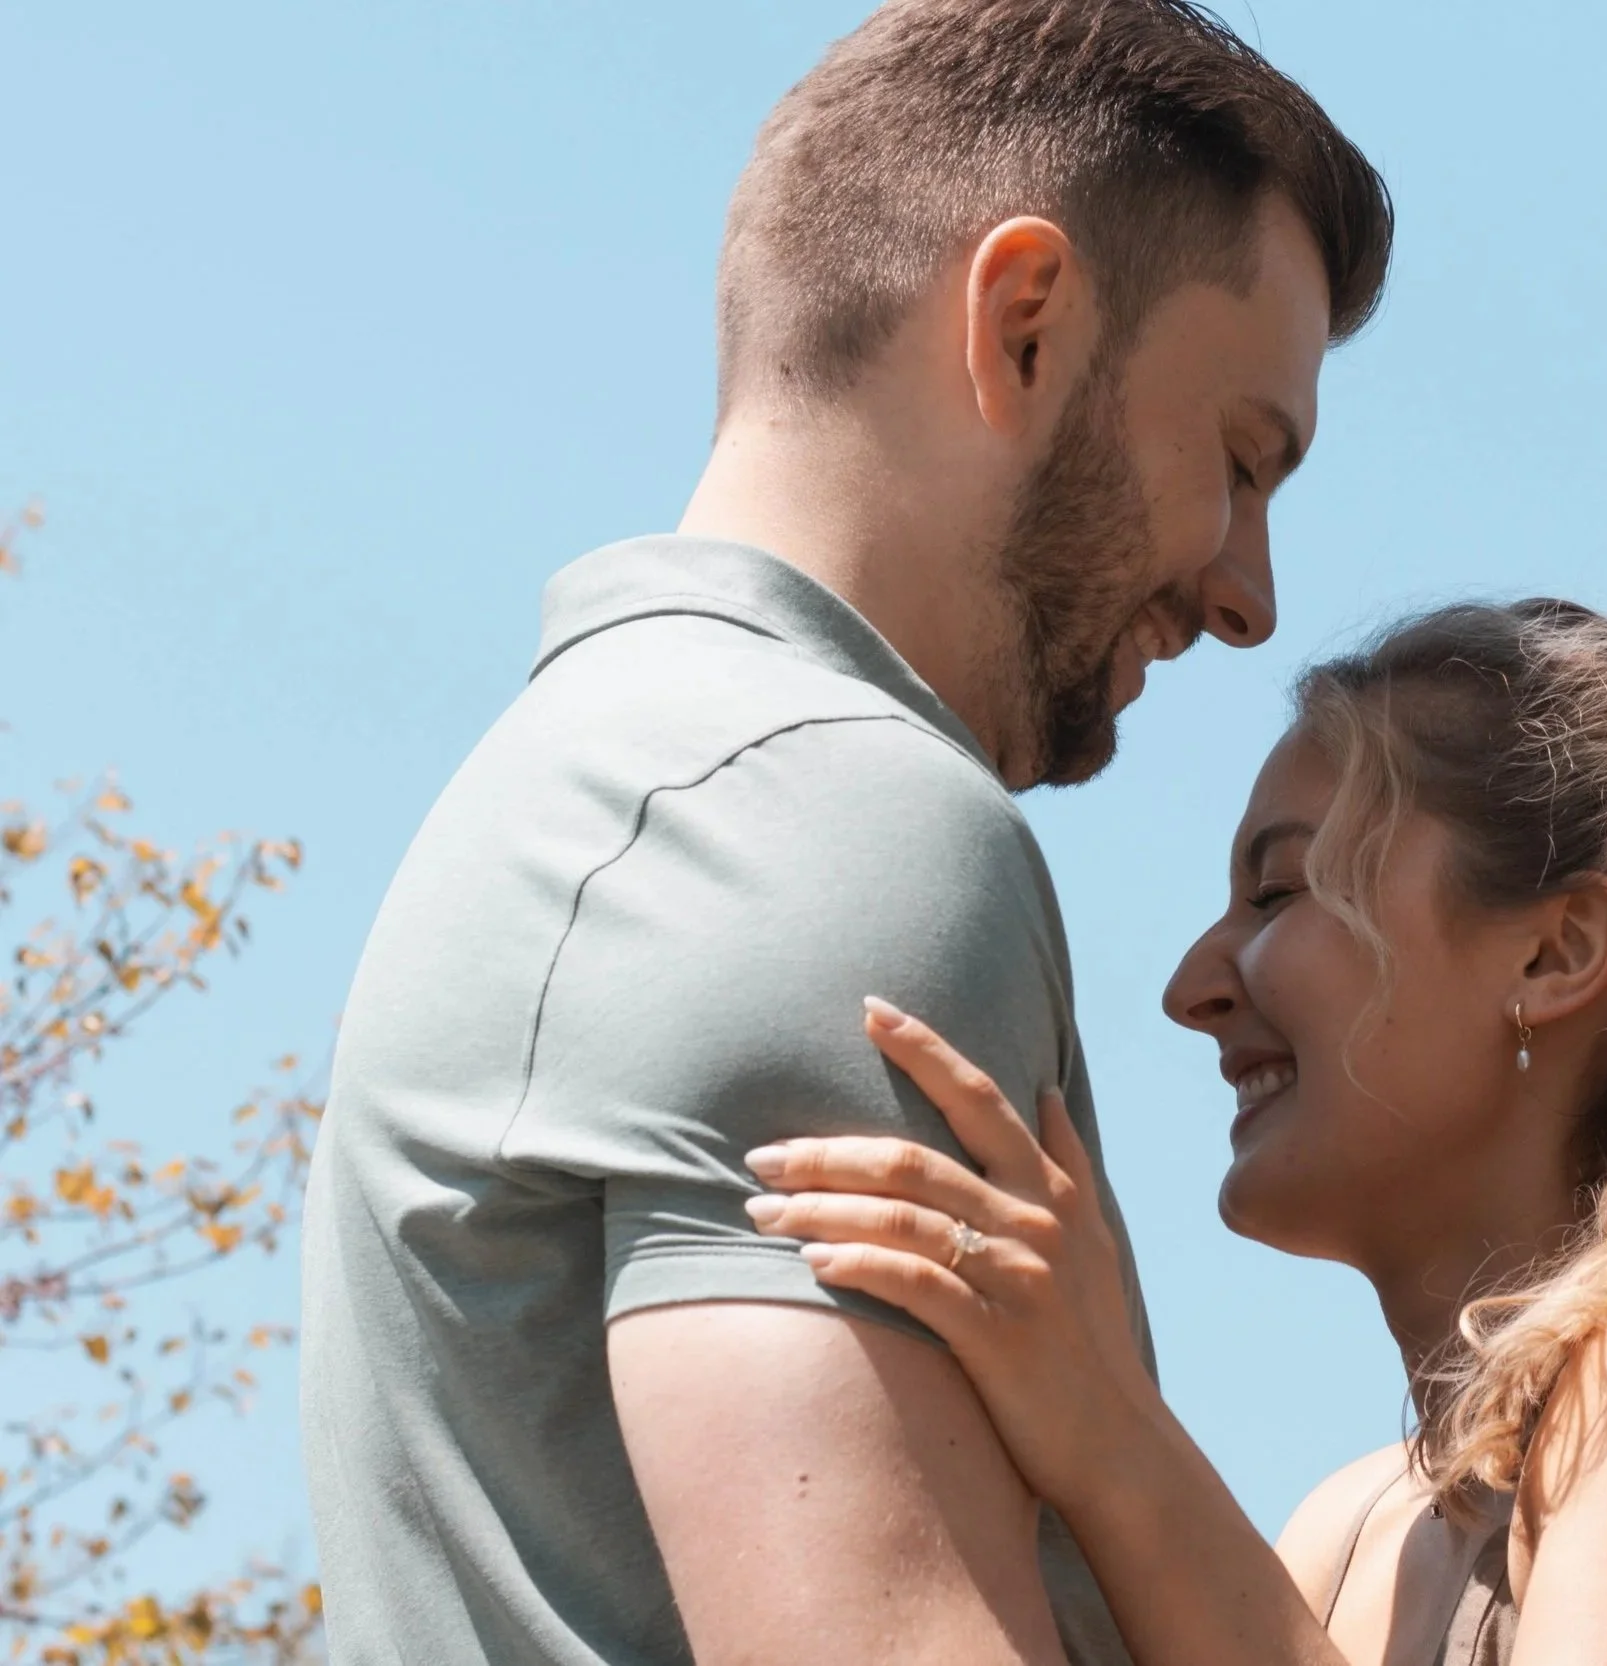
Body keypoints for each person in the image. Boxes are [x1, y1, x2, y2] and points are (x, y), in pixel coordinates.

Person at [295, 1, 1390, 1660]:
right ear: (1025, 323)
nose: (1249, 594)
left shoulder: (629, 780)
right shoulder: (821, 815)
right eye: (1242, 461)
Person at [746, 599, 1607, 1664]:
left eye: (1279, 891)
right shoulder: (1351, 1537)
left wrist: (1115, 1437)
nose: (1193, 984)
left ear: (1552, 954)